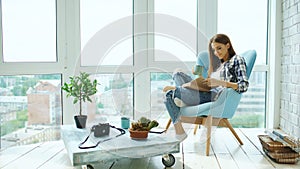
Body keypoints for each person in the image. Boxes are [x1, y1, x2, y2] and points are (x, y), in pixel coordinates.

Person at [163, 33, 249, 141]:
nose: (216, 52)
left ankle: (179, 129)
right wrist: (200, 76)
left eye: (219, 48)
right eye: (214, 50)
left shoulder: (237, 60)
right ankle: (181, 94)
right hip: (205, 90)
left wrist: (220, 82)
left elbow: (243, 85)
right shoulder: (219, 63)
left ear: (228, 45)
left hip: (214, 96)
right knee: (178, 73)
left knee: (168, 95)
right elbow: (209, 81)